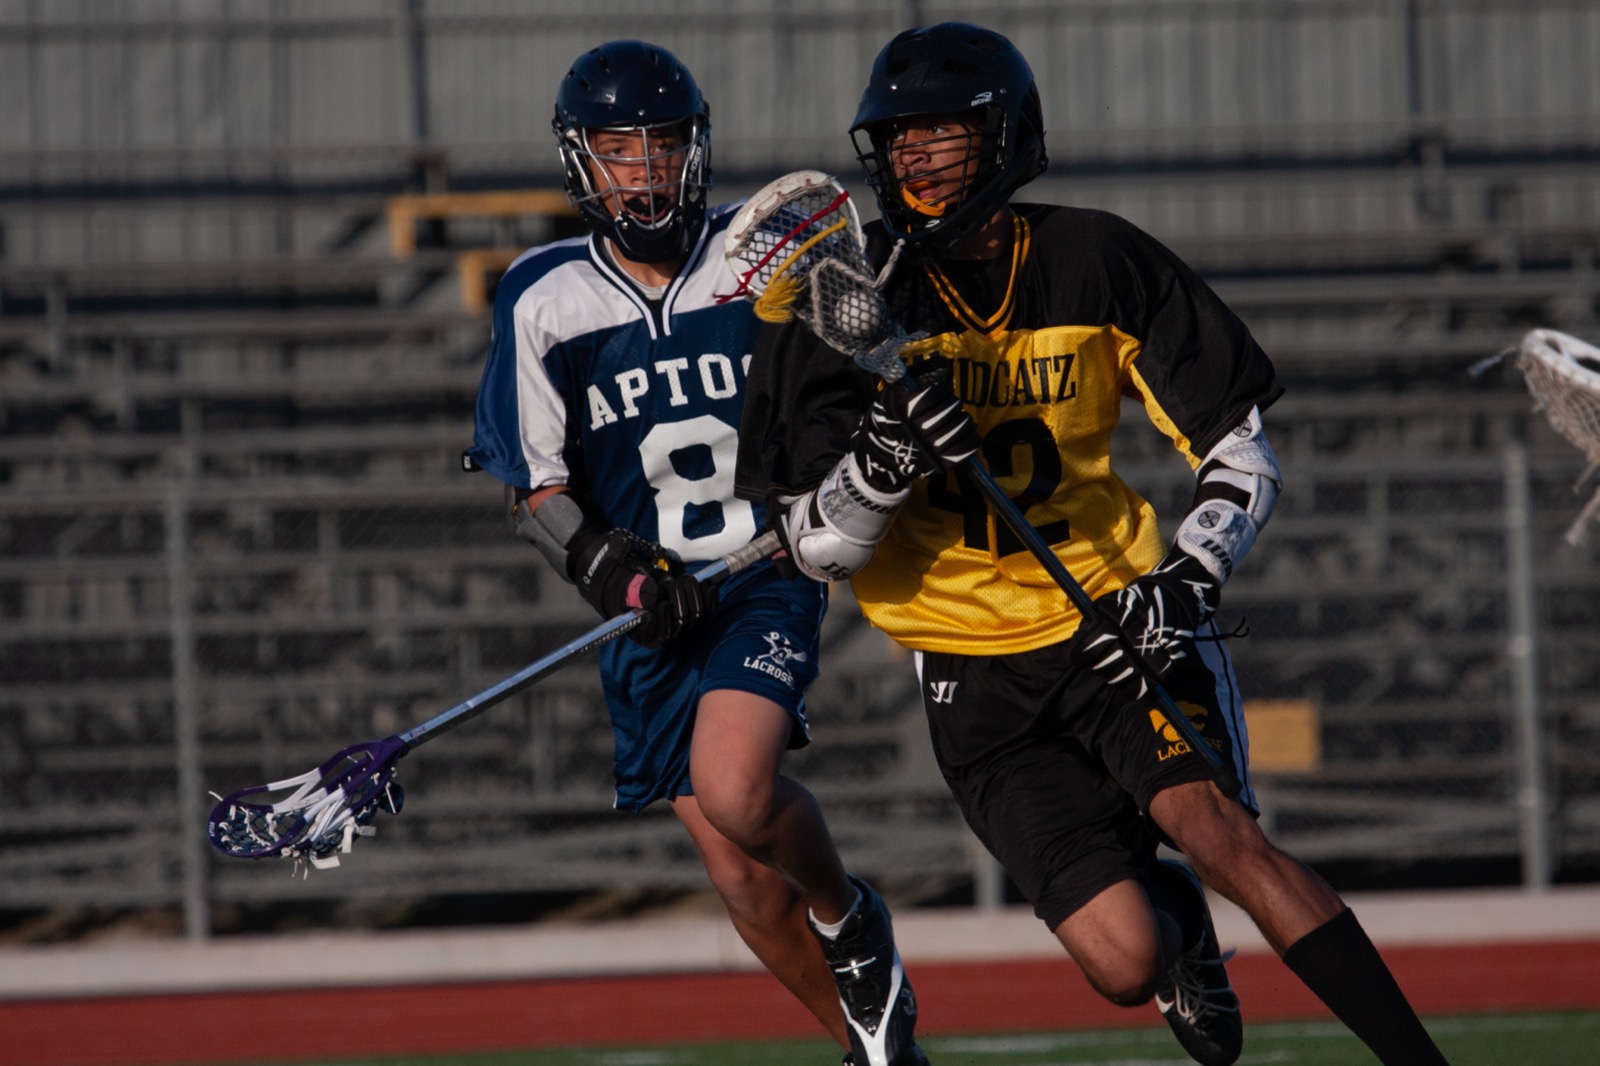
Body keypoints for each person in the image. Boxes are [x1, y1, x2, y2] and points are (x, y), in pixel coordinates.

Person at [736, 22, 1452, 1066]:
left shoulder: (1098, 258)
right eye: (898, 139)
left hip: (1113, 618)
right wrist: (880, 466)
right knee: (1121, 961)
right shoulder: (847, 299)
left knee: (1219, 834)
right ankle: (1175, 929)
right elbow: (811, 547)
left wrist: (1186, 578)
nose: (915, 158)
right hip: (969, 670)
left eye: (942, 133)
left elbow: (1240, 451)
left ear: (1006, 137)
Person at [465, 40, 927, 1066]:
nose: (647, 170)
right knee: (742, 879)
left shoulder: (759, 258)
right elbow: (533, 487)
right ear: (582, 162)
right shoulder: (544, 296)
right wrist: (614, 572)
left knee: (734, 786)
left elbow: (855, 380)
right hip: (646, 608)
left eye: (664, 145)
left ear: (696, 149)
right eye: (621, 151)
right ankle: (873, 1050)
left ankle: (851, 917)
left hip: (763, 571)